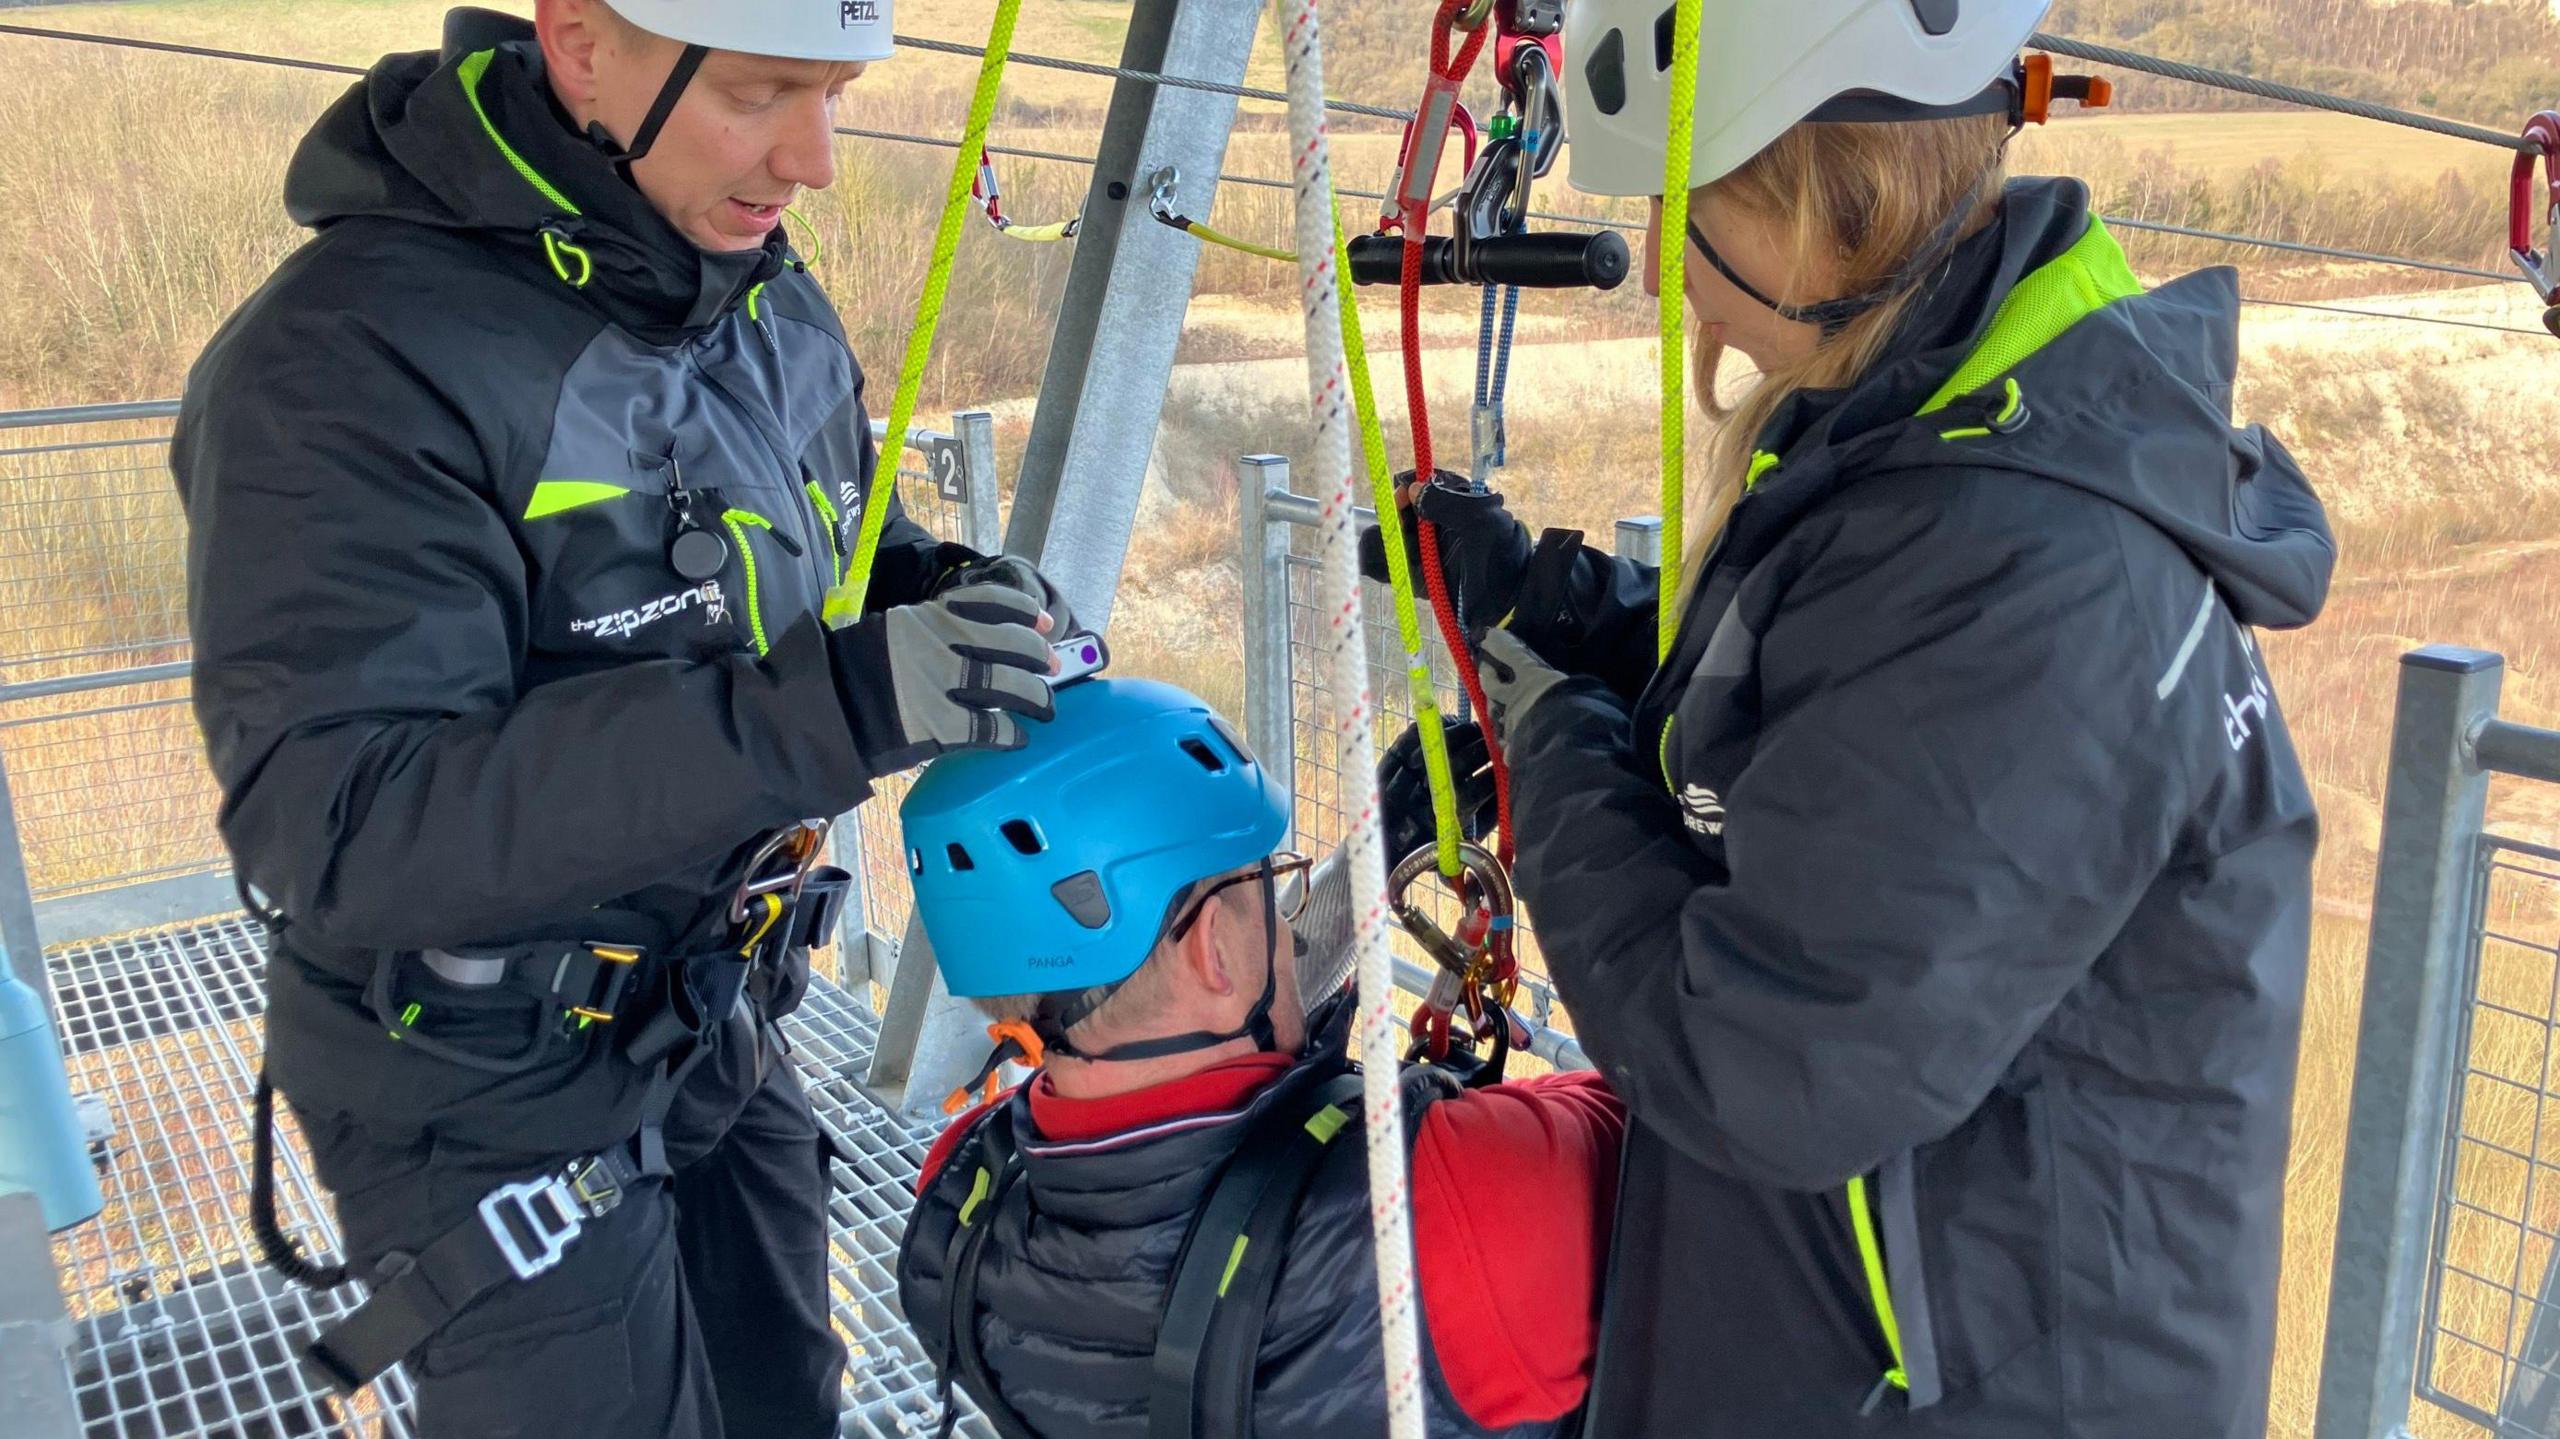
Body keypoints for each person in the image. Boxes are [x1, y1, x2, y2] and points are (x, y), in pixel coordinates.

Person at [1366, 1, 2335, 1434]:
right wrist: (1557, 610)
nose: (1671, 283)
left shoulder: (2037, 575)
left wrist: (1560, 749)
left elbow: (1763, 1056)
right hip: (1877, 1331)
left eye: (1686, 212)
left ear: (1812, 207)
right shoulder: (1953, 432)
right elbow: (1843, 717)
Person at [174, 3, 1073, 1435]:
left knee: (788, 1400)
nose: (815, 160)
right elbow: (347, 823)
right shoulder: (347, 365)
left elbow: (819, 537)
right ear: (584, 45)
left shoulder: (752, 289)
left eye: (832, 94)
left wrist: (939, 589)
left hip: (713, 1013)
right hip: (482, 1088)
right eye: (765, 93)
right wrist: (838, 702)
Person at [894, 678, 1626, 1438]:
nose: (1289, 926)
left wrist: (1366, 872)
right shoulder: (1461, 1203)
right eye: (1271, 887)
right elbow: (1684, 1098)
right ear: (1215, 948)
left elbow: (1181, 1092)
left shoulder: (961, 1208)